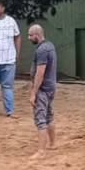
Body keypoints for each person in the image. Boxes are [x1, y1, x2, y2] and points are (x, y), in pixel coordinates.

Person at [28, 24, 57, 154]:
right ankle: (52, 144)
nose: (29, 38)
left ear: (37, 35)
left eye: (30, 35)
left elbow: (40, 72)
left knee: (40, 119)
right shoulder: (50, 46)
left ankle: (41, 150)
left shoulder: (41, 50)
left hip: (43, 88)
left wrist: (34, 92)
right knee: (49, 116)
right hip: (51, 87)